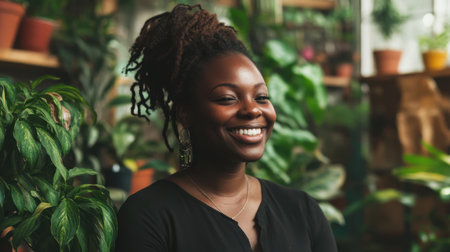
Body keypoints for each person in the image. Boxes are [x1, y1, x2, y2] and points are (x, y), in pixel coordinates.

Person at [115, 4, 337, 252]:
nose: (253, 110)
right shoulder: (149, 216)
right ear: (185, 113)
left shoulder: (302, 211)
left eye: (261, 97)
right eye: (228, 99)